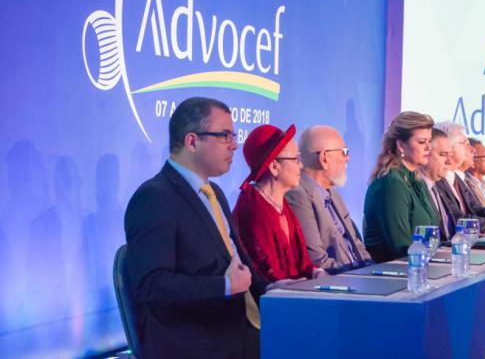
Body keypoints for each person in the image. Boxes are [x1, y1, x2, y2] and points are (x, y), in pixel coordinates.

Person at [124, 97, 263, 359]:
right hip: (199, 343)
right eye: (224, 136)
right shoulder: (154, 197)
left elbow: (240, 268)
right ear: (192, 141)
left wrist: (282, 289)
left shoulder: (215, 193)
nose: (234, 145)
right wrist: (223, 286)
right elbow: (151, 286)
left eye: (233, 136)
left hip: (239, 330)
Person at [232, 124, 322, 283]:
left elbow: (301, 263)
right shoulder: (253, 208)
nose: (301, 165)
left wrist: (316, 273)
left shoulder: (279, 203)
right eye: (295, 159)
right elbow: (268, 275)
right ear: (274, 166)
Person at [285, 126, 372, 273]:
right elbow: (317, 260)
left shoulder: (333, 194)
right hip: (339, 279)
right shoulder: (298, 195)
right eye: (344, 152)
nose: (348, 158)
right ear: (324, 158)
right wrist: (356, 275)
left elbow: (357, 245)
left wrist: (372, 270)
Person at [363, 111, 439, 262]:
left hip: (420, 264)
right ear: (401, 146)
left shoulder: (416, 180)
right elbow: (400, 247)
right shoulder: (392, 183)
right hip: (396, 270)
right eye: (421, 142)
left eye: (429, 141)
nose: (428, 148)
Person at [417, 128, 457, 241]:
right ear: (425, 154)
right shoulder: (413, 188)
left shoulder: (440, 185)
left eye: (450, 155)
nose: (449, 161)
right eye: (443, 154)